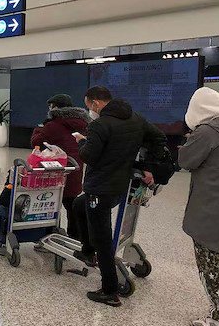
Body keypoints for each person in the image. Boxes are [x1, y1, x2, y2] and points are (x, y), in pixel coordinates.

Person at [73, 86, 166, 307]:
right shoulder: (136, 119)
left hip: (99, 189)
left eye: (89, 107)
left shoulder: (99, 125)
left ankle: (109, 291)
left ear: (96, 103)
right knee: (78, 204)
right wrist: (146, 165)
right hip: (118, 187)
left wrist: (81, 141)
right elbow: (159, 138)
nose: (90, 111)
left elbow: (88, 156)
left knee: (103, 239)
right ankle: (88, 251)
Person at [178, 87, 219, 326]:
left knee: (211, 266)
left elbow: (186, 161)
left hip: (211, 211)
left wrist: (190, 143)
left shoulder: (208, 132)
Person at [31, 94, 89, 239]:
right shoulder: (82, 123)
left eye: (50, 106)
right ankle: (75, 236)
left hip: (55, 169)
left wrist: (39, 129)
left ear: (55, 107)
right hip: (75, 167)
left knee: (51, 202)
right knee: (71, 202)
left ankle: (51, 234)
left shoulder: (53, 125)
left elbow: (36, 142)